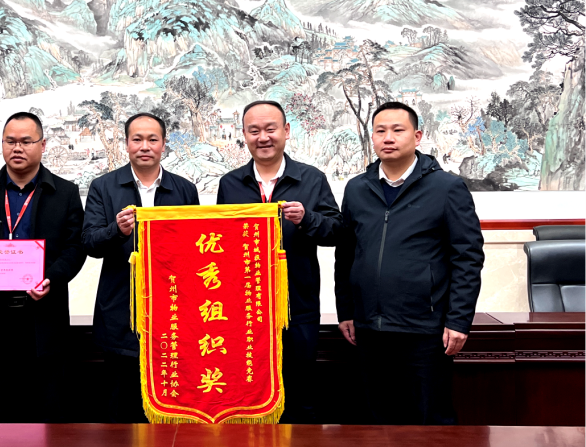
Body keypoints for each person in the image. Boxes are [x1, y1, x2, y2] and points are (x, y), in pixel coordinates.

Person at [335, 102, 485, 425]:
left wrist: (459, 320)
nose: (388, 138)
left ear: (417, 136)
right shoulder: (357, 189)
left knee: (429, 421)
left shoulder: (447, 188)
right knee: (374, 420)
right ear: (372, 137)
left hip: (424, 331)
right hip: (368, 329)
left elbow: (468, 257)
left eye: (397, 130)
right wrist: (345, 310)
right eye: (380, 131)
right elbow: (346, 254)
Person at [0, 111, 86, 422]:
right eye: (10, 141)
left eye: (26, 141)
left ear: (43, 145)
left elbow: (75, 247)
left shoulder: (65, 193)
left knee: (46, 416)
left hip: (44, 319)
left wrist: (52, 278)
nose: (17, 148)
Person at [216, 100, 342, 423]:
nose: (263, 137)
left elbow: (337, 231)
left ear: (286, 131)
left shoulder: (312, 179)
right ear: (244, 135)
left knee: (301, 394)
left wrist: (307, 219)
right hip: (246, 311)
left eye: (270, 129)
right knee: (250, 394)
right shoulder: (230, 183)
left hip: (298, 306)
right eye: (254, 130)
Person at [82, 112, 199, 423]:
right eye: (137, 139)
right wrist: (117, 231)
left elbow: (195, 251)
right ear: (126, 144)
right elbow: (90, 243)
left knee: (171, 404)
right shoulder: (104, 187)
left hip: (172, 312)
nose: (144, 146)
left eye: (152, 139)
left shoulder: (185, 189)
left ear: (164, 144)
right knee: (122, 406)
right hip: (120, 311)